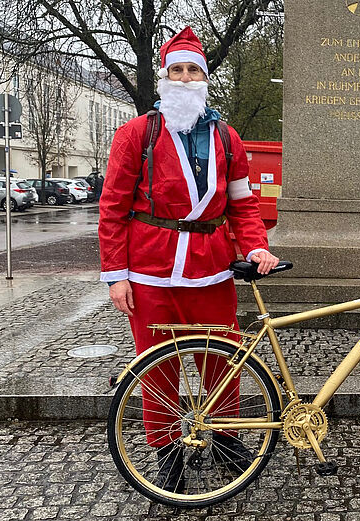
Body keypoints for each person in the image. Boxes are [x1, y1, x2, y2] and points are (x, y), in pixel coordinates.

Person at [98, 26, 279, 492]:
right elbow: (114, 207)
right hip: (150, 271)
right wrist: (117, 277)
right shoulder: (135, 133)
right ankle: (165, 450)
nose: (183, 77)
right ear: (164, 78)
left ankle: (224, 437)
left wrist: (255, 244)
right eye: (175, 70)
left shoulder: (226, 137)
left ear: (204, 77)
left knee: (224, 361)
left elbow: (242, 203)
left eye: (191, 69)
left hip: (211, 268)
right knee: (156, 366)